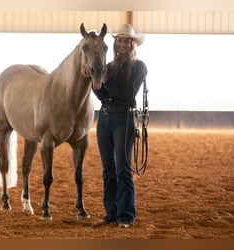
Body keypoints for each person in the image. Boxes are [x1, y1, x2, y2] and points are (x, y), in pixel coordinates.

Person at [92, 24, 147, 229]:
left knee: (122, 169)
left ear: (132, 44)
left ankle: (126, 214)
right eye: (120, 40)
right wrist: (95, 82)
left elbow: (127, 93)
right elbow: (102, 96)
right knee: (108, 169)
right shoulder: (110, 67)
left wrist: (102, 78)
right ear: (116, 43)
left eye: (127, 41)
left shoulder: (139, 67)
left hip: (123, 120)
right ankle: (111, 213)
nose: (122, 44)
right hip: (104, 120)